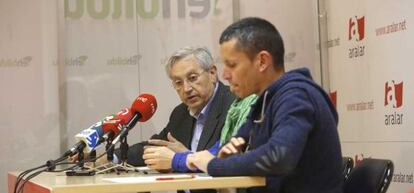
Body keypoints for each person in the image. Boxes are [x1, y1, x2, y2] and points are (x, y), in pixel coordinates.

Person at [187, 17, 343, 193]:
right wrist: (225, 159)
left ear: (262, 61)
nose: (225, 75)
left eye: (232, 65)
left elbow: (279, 157)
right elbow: (232, 145)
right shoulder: (265, 100)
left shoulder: (296, 97)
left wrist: (213, 165)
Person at [121, 47, 235, 177]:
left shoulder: (234, 106)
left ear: (212, 73)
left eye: (192, 78)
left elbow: (226, 161)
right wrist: (112, 157)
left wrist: (183, 157)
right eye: (178, 83)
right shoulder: (181, 113)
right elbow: (154, 146)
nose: (186, 89)